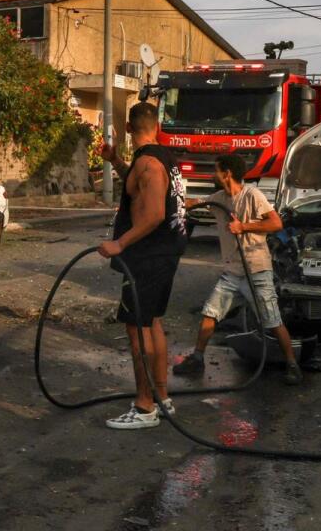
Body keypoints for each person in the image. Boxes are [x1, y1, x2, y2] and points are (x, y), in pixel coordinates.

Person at [97, 101, 188, 430]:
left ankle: (145, 407)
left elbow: (153, 215)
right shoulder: (159, 158)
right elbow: (137, 189)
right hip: (163, 254)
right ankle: (162, 398)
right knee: (152, 323)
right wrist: (115, 161)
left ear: (128, 130)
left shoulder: (148, 163)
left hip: (146, 257)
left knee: (137, 328)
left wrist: (119, 243)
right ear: (157, 128)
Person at [173, 155, 303, 384]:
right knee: (210, 313)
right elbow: (195, 203)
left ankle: (292, 364)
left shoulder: (252, 195)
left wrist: (243, 226)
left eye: (216, 170)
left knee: (272, 321)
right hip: (232, 272)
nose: (213, 174)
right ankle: (197, 358)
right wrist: (172, 199)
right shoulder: (220, 198)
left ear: (227, 173)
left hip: (256, 271)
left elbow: (276, 223)